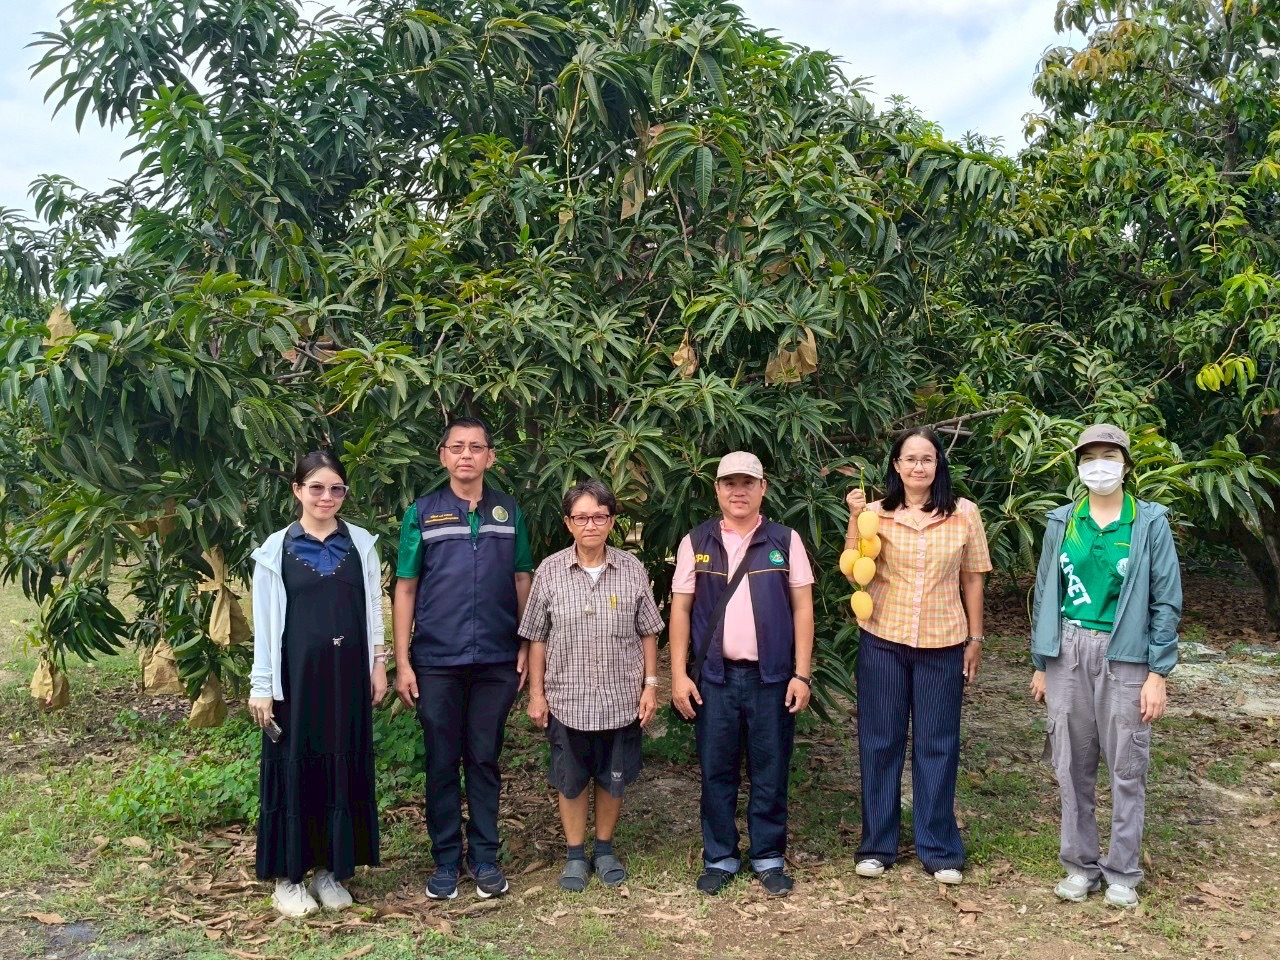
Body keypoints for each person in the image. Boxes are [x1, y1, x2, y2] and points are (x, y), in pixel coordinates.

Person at [1030, 423, 1181, 910]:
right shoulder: (1062, 522)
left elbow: (1166, 601)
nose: (1100, 465)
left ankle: (1121, 871)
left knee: (1126, 764)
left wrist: (1158, 673)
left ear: (1125, 464)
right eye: (1090, 456)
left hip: (1126, 655)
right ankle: (1079, 864)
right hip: (1067, 653)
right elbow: (1045, 594)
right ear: (1078, 466)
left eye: (1109, 456)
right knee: (1071, 765)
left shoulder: (1148, 523)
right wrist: (1040, 662)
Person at [392, 416, 534, 901]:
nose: (467, 455)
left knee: (484, 758)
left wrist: (524, 644)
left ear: (490, 458)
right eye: (457, 447)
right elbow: (405, 587)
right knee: (440, 761)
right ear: (443, 456)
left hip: (496, 658)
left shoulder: (509, 511)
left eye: (476, 447)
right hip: (436, 659)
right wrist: (404, 661)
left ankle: (486, 857)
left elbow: (522, 581)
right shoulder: (423, 512)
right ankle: (446, 860)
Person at [845, 426, 991, 886]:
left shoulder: (964, 514)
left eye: (926, 459)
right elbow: (853, 566)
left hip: (942, 642)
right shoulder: (875, 513)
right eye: (909, 459)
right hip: (883, 640)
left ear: (938, 464)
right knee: (880, 742)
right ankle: (877, 845)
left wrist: (975, 638)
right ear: (896, 465)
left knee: (938, 744)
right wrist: (853, 517)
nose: (917, 467)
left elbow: (973, 578)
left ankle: (939, 848)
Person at [669, 451, 815, 898]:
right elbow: (680, 610)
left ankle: (768, 856)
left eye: (747, 483)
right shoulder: (696, 541)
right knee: (717, 769)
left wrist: (802, 675)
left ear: (762, 488)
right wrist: (678, 674)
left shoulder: (785, 540)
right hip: (714, 678)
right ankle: (720, 856)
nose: (738, 491)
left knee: (770, 768)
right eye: (729, 483)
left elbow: (803, 608)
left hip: (771, 678)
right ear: (717, 489)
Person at [248, 451, 387, 918]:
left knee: (341, 765)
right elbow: (264, 625)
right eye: (317, 488)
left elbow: (372, 610)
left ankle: (330, 871)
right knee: (295, 766)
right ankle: (289, 879)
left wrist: (377, 664)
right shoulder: (273, 551)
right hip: (296, 681)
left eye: (336, 489)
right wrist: (261, 684)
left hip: (347, 677)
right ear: (297, 491)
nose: (327, 497)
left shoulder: (362, 544)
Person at [520, 480, 663, 892]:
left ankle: (604, 848)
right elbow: (537, 636)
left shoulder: (632, 569)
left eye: (599, 517)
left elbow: (649, 631)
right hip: (567, 699)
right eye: (581, 517)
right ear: (568, 523)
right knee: (571, 779)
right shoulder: (549, 571)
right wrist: (536, 693)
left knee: (612, 777)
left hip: (621, 699)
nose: (591, 525)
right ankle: (575, 855)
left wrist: (650, 685)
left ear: (612, 521)